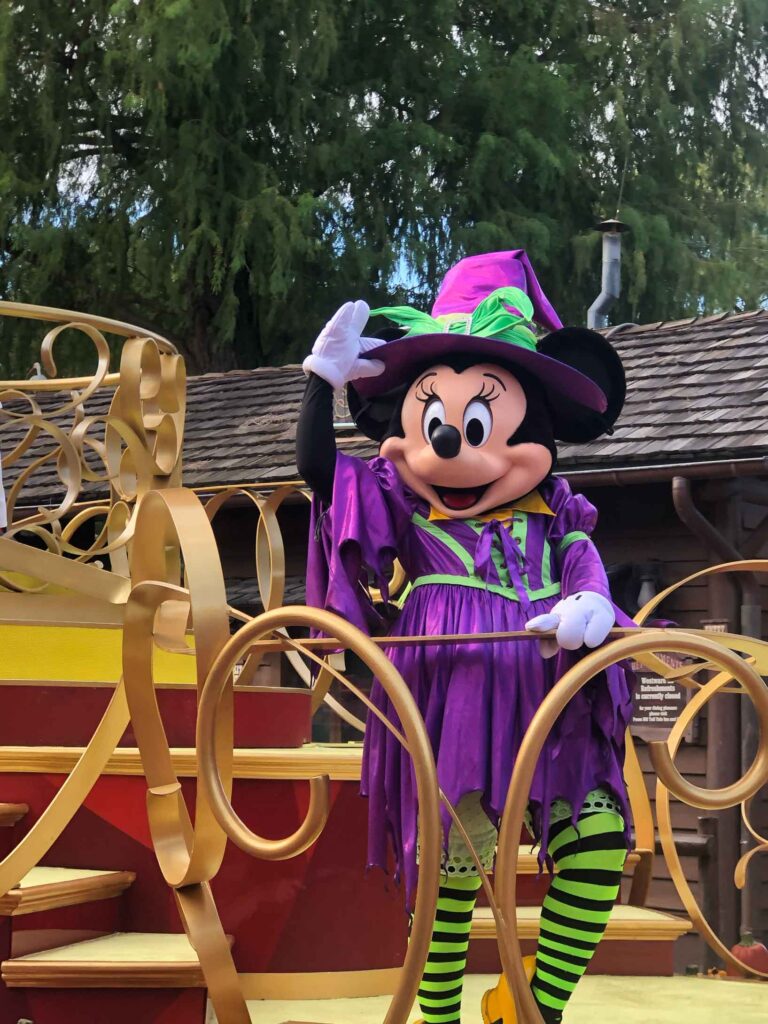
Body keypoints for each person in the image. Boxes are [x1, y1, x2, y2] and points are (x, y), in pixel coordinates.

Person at [297, 251, 634, 1024]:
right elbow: (323, 478)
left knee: (599, 843)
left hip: (555, 721)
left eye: (477, 421)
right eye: (436, 422)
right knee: (448, 877)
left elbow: (591, 582)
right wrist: (321, 383)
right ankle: (439, 1015)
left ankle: (530, 1006)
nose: (451, 445)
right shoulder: (406, 513)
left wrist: (589, 609)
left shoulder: (560, 526)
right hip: (450, 711)